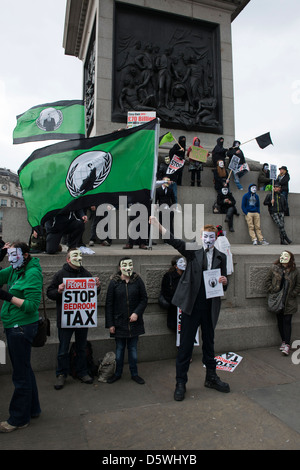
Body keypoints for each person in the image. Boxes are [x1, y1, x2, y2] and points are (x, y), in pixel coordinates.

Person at [149, 216, 230, 401]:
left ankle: (211, 377)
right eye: (205, 237)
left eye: (211, 237)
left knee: (209, 344)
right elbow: (174, 241)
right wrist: (158, 225)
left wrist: (224, 282)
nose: (208, 240)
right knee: (185, 346)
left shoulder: (221, 257)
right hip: (191, 307)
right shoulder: (193, 252)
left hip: (210, 307)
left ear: (215, 238)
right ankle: (180, 382)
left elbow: (224, 283)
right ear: (201, 238)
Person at [0, 242, 43, 433]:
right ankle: (32, 409)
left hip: (21, 328)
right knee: (25, 369)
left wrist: (6, 296)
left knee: (20, 374)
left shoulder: (32, 273)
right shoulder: (14, 270)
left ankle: (18, 418)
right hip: (13, 325)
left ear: (25, 255)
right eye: (8, 255)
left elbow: (31, 306)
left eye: (13, 255)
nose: (10, 259)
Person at [47, 248, 100, 390]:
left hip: (82, 319)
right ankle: (61, 374)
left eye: (80, 255)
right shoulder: (60, 275)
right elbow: (49, 293)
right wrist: (58, 291)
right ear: (68, 259)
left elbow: (93, 294)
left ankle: (82, 372)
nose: (78, 257)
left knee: (81, 347)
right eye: (75, 255)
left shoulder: (86, 274)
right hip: (65, 320)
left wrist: (97, 287)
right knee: (63, 349)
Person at [105, 257, 148, 384]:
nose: (128, 267)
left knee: (133, 350)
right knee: (119, 350)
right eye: (125, 265)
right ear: (119, 268)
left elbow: (144, 299)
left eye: (130, 265)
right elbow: (109, 304)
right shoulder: (114, 283)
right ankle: (117, 373)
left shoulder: (137, 281)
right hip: (119, 323)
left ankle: (134, 374)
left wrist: (137, 313)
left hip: (134, 323)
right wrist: (110, 324)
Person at [265, 251, 300, 356]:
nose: (284, 263)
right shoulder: (274, 269)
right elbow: (267, 281)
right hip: (277, 300)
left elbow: (298, 284)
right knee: (280, 321)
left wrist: (293, 293)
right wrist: (272, 290)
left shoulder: (295, 271)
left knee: (287, 321)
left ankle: (287, 345)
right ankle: (284, 341)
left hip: (289, 301)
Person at [160, 256, 186, 330]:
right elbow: (166, 291)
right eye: (181, 262)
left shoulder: (187, 276)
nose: (184, 264)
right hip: (174, 306)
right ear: (175, 266)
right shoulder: (168, 276)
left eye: (184, 262)